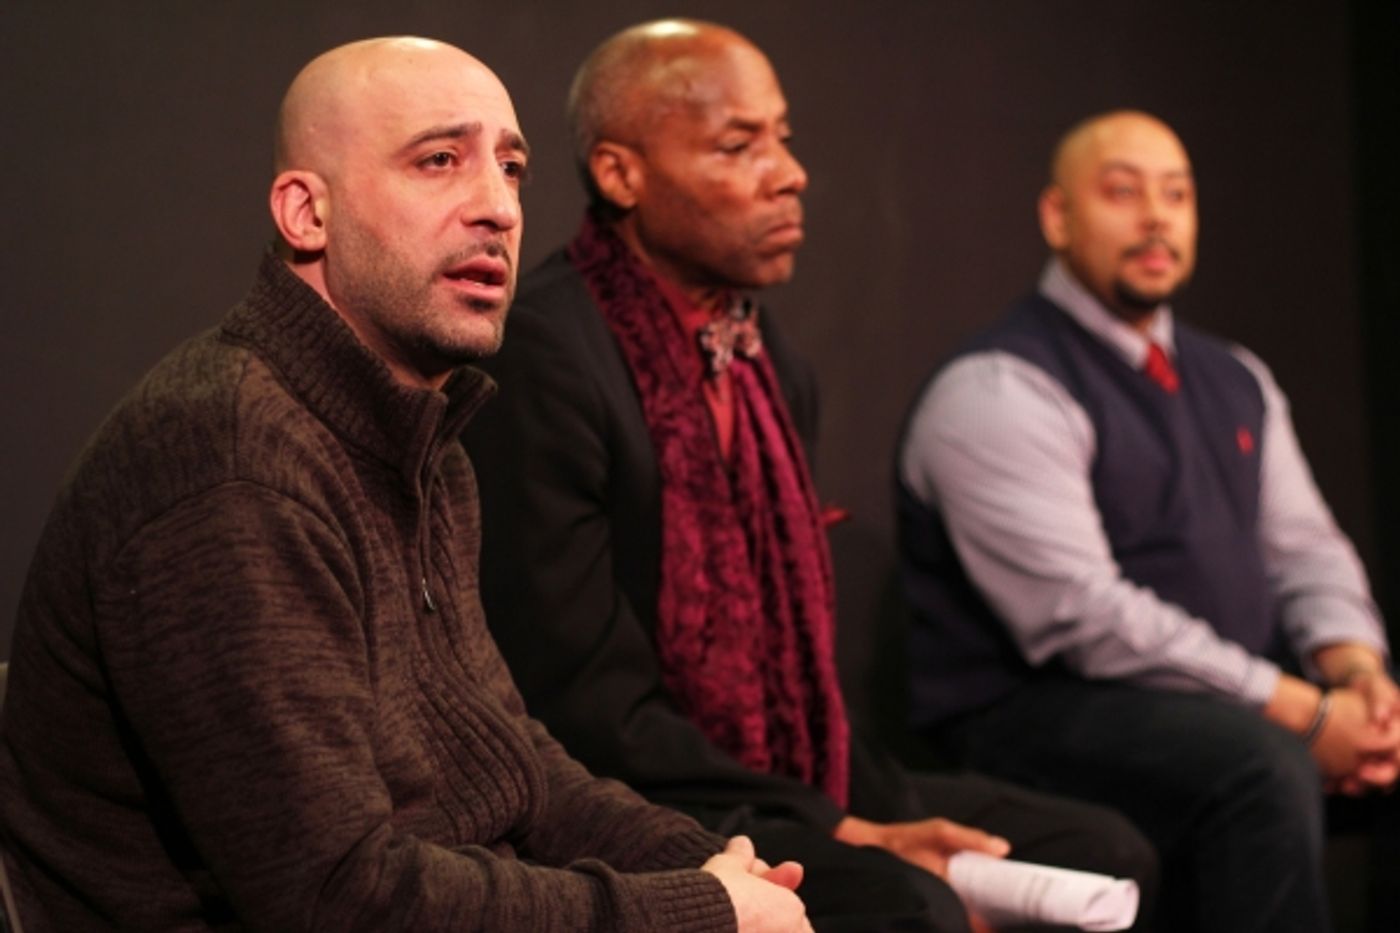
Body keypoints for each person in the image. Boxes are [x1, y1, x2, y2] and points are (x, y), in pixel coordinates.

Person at [0, 36, 815, 933]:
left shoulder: (429, 444)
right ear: (307, 214)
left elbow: (515, 767)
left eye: (512, 168)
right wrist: (697, 912)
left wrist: (696, 858)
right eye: (439, 161)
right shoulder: (232, 460)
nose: (498, 208)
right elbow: (337, 898)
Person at [463, 20, 1155, 933]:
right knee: (915, 903)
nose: (788, 172)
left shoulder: (766, 356)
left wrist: (863, 809)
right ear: (620, 173)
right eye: (739, 145)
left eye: (782, 137)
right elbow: (587, 708)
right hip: (646, 798)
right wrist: (843, 830)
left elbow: (800, 668)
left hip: (794, 775)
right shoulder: (549, 356)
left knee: (1104, 852)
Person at [895, 109, 1400, 932]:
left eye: (1177, 194)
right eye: (1124, 193)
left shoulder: (1236, 375)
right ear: (1058, 216)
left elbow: (1307, 548)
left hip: (1228, 695)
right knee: (1262, 765)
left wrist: (1356, 678)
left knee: (1378, 740)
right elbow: (1085, 617)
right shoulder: (1000, 385)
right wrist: (1303, 714)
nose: (1157, 217)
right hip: (1040, 708)